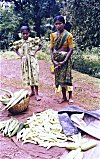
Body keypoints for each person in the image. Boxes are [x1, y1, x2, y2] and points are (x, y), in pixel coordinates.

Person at [50, 15, 74, 104]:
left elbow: (71, 49)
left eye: (60, 23)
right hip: (56, 59)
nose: (58, 26)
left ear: (63, 24)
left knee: (68, 78)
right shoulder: (53, 35)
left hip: (66, 59)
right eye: (56, 24)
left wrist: (65, 60)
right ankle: (64, 97)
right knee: (60, 78)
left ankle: (70, 97)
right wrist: (53, 60)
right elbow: (51, 49)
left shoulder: (68, 35)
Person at [15, 25, 42, 101]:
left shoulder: (32, 40)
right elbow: (15, 49)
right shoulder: (20, 42)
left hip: (32, 60)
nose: (25, 35)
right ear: (21, 34)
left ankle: (37, 94)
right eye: (23, 34)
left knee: (34, 75)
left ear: (29, 33)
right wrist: (21, 55)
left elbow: (40, 45)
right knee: (29, 76)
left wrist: (35, 51)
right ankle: (32, 91)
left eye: (26, 33)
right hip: (25, 61)